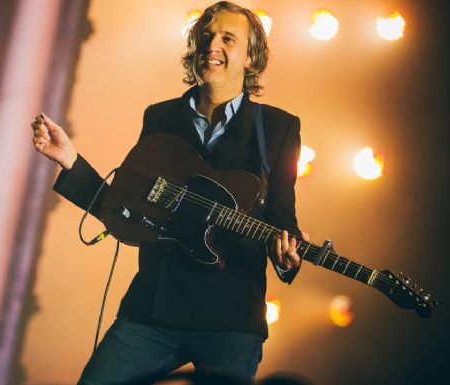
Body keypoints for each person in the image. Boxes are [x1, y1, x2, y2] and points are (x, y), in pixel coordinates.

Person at [33, 1, 310, 384]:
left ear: (251, 57)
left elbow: (281, 222)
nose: (212, 45)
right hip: (152, 310)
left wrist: (288, 258)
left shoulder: (278, 128)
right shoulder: (160, 117)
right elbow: (128, 209)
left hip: (229, 320)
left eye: (228, 38)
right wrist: (71, 162)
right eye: (206, 36)